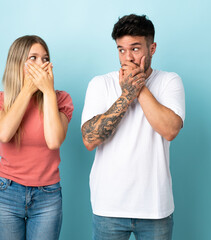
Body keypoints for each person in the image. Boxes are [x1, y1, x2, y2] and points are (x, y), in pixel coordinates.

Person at [81, 14, 185, 240]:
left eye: (135, 49)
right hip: (108, 208)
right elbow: (90, 139)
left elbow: (170, 130)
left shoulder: (169, 81)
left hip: (155, 208)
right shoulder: (101, 84)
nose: (127, 58)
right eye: (121, 50)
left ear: (152, 48)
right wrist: (126, 96)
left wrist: (138, 88)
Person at [0, 35, 73, 240]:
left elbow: (54, 141)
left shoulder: (61, 99)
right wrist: (27, 89)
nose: (41, 64)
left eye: (45, 59)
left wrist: (48, 92)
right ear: (18, 63)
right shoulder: (0, 99)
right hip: (7, 192)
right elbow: (4, 133)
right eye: (33, 58)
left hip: (48, 196)